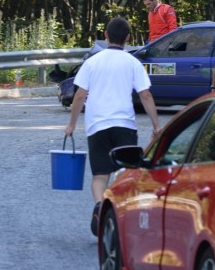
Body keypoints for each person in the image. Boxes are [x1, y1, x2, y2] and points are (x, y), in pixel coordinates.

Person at [64, 17, 160, 236]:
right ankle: (120, 214)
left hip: (97, 126)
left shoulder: (92, 62)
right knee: (126, 174)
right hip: (124, 125)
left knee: (100, 175)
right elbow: (145, 95)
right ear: (128, 38)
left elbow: (79, 95)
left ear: (105, 35)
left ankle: (100, 206)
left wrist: (71, 124)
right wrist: (156, 126)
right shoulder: (133, 62)